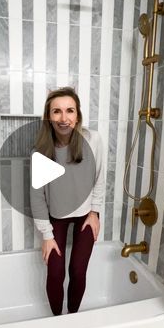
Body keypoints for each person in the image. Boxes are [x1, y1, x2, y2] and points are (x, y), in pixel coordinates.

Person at [30, 87, 105, 315]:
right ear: (49, 117)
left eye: (70, 111)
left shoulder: (93, 139)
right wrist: (46, 234)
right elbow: (37, 195)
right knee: (55, 273)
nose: (64, 118)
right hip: (56, 216)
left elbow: (99, 177)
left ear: (78, 115)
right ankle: (57, 322)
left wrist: (94, 212)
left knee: (78, 270)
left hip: (86, 214)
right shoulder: (41, 149)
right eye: (57, 112)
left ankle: (72, 319)